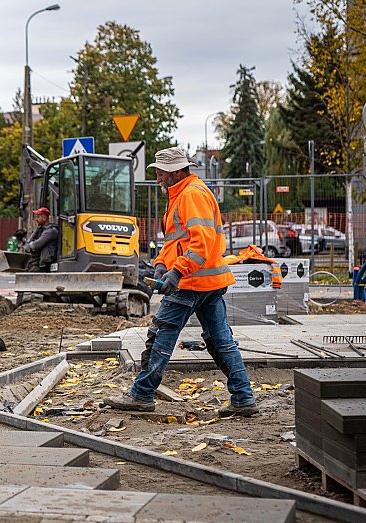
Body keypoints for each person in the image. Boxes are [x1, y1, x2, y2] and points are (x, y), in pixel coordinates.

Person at [103, 147, 257, 416]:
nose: (158, 178)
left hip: (190, 283)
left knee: (160, 337)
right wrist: (162, 263)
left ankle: (141, 394)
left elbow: (201, 243)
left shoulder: (190, 195)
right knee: (221, 341)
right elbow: (177, 241)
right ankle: (243, 398)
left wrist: (177, 272)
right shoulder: (184, 193)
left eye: (161, 172)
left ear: (175, 172)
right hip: (205, 282)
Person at [23, 207, 59, 272]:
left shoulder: (50, 231)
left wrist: (30, 246)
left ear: (44, 218)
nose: (36, 219)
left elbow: (35, 246)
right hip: (37, 262)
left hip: (44, 264)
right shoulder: (40, 229)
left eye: (38, 217)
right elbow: (27, 244)